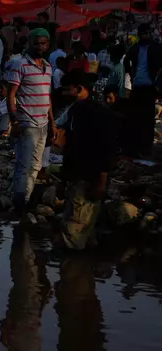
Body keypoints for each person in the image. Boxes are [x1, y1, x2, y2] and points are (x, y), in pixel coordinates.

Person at [56, 70, 118, 249]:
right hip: (77, 179)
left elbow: (106, 149)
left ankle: (73, 272)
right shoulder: (76, 110)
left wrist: (101, 182)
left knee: (73, 239)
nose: (63, 93)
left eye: (67, 90)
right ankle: (82, 271)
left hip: (88, 181)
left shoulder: (96, 114)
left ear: (79, 89)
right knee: (83, 238)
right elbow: (70, 148)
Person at [7, 28, 56, 216]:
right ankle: (20, 205)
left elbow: (47, 97)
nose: (39, 46)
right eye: (36, 43)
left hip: (43, 123)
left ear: (48, 44)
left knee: (36, 166)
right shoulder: (19, 65)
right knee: (23, 165)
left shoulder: (48, 67)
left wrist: (52, 123)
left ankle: (24, 201)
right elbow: (11, 94)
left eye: (43, 43)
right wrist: (14, 121)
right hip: (27, 123)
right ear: (29, 44)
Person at [124, 23, 162, 156]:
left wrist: (157, 83)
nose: (144, 35)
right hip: (140, 86)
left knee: (144, 117)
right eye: (143, 33)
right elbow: (126, 63)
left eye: (145, 33)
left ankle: (145, 145)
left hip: (147, 86)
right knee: (140, 117)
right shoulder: (136, 48)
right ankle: (141, 145)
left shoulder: (153, 47)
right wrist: (133, 76)